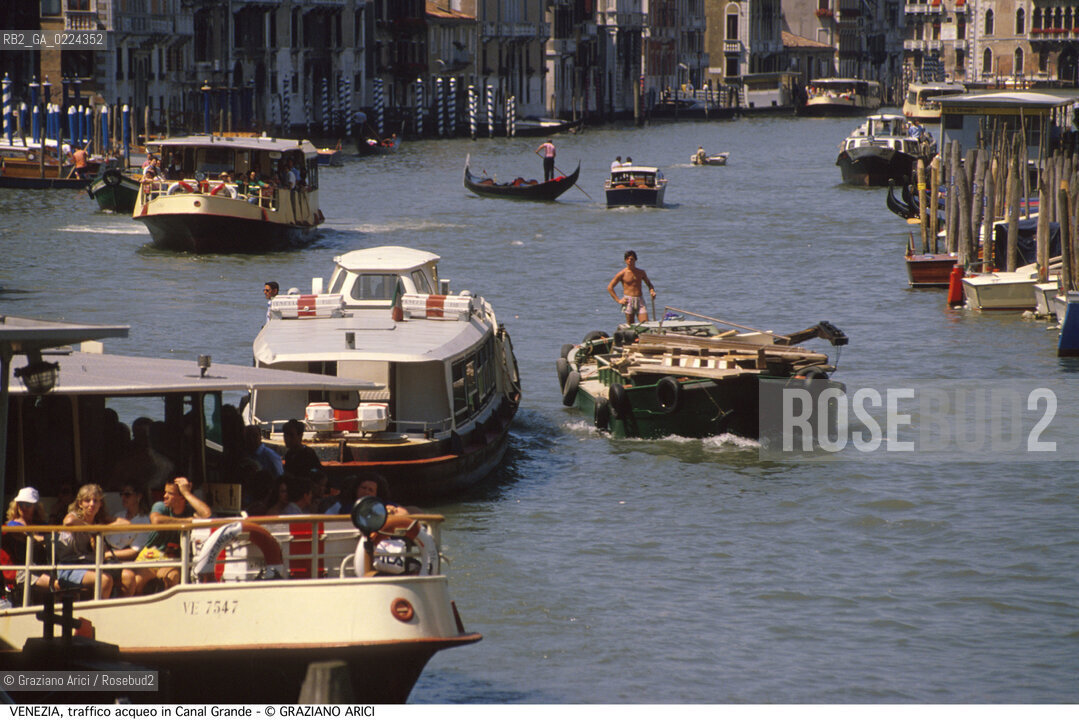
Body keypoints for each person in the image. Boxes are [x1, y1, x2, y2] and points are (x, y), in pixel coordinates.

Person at [57, 483, 135, 598]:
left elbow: (126, 523)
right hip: (71, 568)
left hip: (94, 565)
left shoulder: (99, 519)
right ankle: (100, 615)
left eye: (96, 501)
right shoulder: (75, 516)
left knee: (129, 576)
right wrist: (91, 529)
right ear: (80, 503)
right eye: (87, 500)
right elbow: (68, 522)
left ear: (100, 504)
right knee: (105, 579)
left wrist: (102, 527)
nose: (92, 504)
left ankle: (119, 612)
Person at [138, 476, 212, 589]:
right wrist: (188, 521)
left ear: (182, 498)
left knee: (171, 577)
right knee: (134, 580)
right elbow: (156, 521)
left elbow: (206, 514)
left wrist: (187, 493)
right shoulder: (161, 506)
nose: (164, 496)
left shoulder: (189, 510)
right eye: (165, 492)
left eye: (170, 493)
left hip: (173, 559)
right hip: (152, 554)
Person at [104, 483, 155, 596]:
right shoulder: (118, 515)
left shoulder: (145, 521)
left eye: (127, 494)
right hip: (108, 559)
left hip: (126, 561)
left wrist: (108, 554)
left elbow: (134, 552)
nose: (123, 497)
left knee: (129, 578)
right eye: (122, 494)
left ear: (139, 496)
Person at [3, 487, 52, 599]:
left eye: (28, 504)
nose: (24, 507)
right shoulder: (12, 525)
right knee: (56, 584)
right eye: (21, 504)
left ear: (35, 507)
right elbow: (26, 535)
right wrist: (39, 538)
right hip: (23, 570)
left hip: (43, 567)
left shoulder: (43, 525)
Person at [608, 249, 657, 324]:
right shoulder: (622, 273)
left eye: (631, 259)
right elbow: (610, 287)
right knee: (631, 325)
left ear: (635, 260)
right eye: (627, 259)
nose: (629, 261)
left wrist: (652, 291)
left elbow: (649, 285)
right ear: (625, 260)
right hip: (628, 300)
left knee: (646, 324)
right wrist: (619, 300)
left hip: (640, 300)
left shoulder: (641, 272)